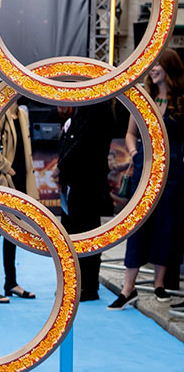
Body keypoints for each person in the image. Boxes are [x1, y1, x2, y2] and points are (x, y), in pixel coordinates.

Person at [108, 48, 184, 310]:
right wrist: (134, 154)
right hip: (144, 169)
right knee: (137, 225)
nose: (152, 70)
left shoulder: (181, 101)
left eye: (157, 64)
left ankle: (159, 285)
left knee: (166, 225)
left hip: (173, 171)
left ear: (169, 67)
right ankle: (127, 289)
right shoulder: (144, 99)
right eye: (151, 66)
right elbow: (130, 133)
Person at [57, 101, 117, 301]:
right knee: (74, 231)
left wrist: (61, 165)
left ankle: (88, 286)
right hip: (76, 180)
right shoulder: (85, 105)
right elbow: (72, 139)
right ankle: (77, 283)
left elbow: (84, 143)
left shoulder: (98, 107)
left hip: (87, 181)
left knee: (86, 232)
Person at [0, 100, 37, 303]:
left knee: (13, 234)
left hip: (20, 184)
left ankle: (11, 282)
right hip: (4, 184)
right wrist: (8, 168)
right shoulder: (0, 113)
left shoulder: (22, 114)